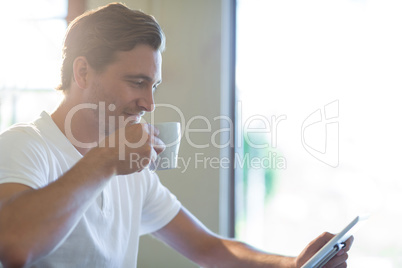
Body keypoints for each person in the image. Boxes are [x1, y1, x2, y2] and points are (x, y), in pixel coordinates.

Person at [0, 3, 353, 268]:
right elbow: (15, 244)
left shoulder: (130, 172)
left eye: (153, 86)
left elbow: (209, 248)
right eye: (136, 82)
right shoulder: (25, 146)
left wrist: (294, 265)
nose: (149, 103)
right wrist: (104, 160)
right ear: (82, 71)